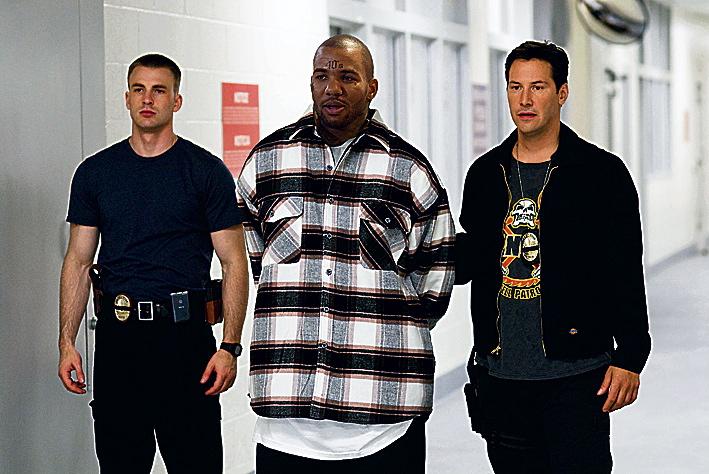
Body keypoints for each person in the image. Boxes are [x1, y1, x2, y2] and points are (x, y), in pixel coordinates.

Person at [236, 34, 455, 472]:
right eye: (322, 76)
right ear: (311, 83)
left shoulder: (407, 169)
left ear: (372, 88)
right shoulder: (267, 161)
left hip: (383, 417)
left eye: (348, 77)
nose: (332, 88)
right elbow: (258, 260)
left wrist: (383, 323)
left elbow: (434, 280)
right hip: (285, 423)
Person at [456, 40, 651, 473]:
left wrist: (631, 355)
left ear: (561, 93)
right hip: (502, 377)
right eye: (515, 87)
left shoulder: (601, 174)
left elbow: (624, 269)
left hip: (577, 376)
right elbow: (473, 257)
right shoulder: (485, 174)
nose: (524, 99)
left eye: (538, 87)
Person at [58, 53, 249, 473]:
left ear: (176, 101)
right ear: (126, 98)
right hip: (119, 343)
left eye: (159, 90)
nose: (148, 99)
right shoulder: (95, 173)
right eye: (139, 89)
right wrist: (67, 341)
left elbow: (234, 262)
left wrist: (230, 347)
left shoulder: (206, 172)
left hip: (186, 344)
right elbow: (78, 261)